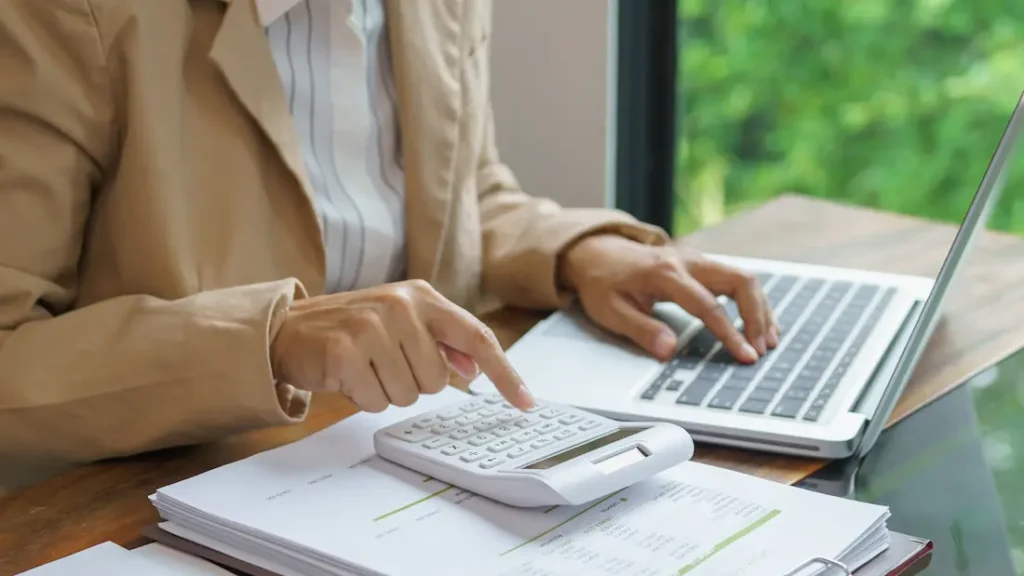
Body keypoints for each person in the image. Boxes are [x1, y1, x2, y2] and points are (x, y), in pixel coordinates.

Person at [0, 0, 777, 467]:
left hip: (393, 463)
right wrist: (268, 339)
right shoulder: (62, 16)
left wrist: (577, 253)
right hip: (161, 489)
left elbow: (462, 193)